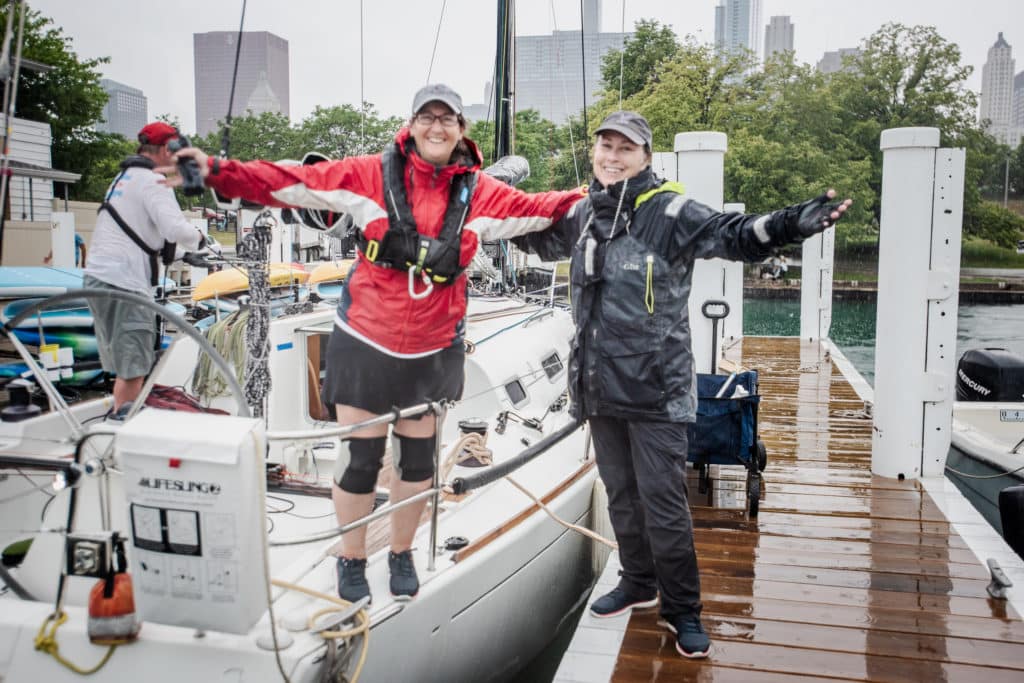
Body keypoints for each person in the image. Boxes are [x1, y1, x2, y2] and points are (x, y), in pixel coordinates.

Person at [166, 84, 583, 605]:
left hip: (432, 349)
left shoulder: (481, 193)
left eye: (447, 119)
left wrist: (604, 198)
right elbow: (292, 181)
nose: (436, 127)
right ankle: (352, 556)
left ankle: (402, 552)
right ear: (410, 125)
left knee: (416, 463)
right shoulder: (368, 175)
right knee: (359, 461)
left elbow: (545, 209)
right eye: (426, 117)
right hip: (367, 338)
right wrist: (215, 170)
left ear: (460, 129)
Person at [514, 110, 852, 659]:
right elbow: (537, 240)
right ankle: (637, 582)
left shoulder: (669, 211)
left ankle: (683, 609)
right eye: (605, 146)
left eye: (626, 148)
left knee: (663, 503)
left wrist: (789, 224)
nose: (612, 156)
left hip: (657, 390)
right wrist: (479, 216)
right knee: (621, 495)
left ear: (647, 157)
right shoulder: (583, 213)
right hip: (599, 386)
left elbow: (733, 236)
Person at [84, 121, 208, 415]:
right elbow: (175, 228)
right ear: (167, 149)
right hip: (124, 285)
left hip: (99, 280)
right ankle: (124, 432)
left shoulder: (124, 178)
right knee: (133, 369)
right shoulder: (153, 181)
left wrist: (181, 256)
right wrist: (200, 241)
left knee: (124, 367)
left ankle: (120, 419)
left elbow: (140, 234)